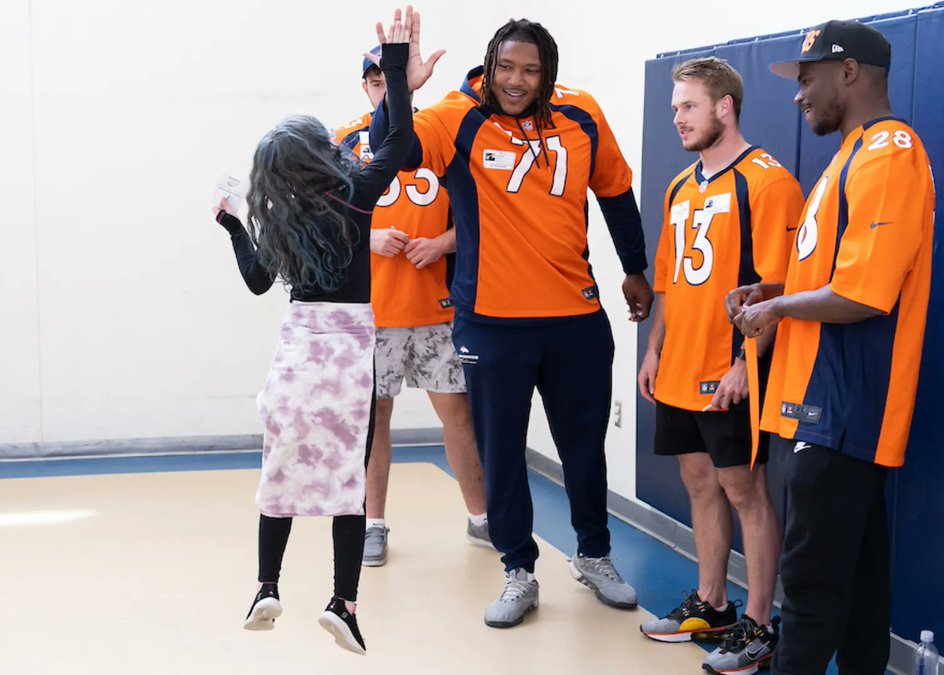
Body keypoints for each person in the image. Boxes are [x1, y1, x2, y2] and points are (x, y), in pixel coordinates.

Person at [368, 14, 654, 628]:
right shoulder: (456, 113)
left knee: (584, 447)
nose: (517, 81)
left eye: (530, 70)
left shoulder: (581, 113)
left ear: (548, 72)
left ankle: (595, 554)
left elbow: (616, 192)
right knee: (500, 452)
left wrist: (634, 268)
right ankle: (518, 569)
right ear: (490, 63)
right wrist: (401, 81)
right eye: (506, 67)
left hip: (574, 316)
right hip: (492, 322)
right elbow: (390, 150)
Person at [212, 8, 428, 656]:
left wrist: (231, 224)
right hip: (348, 357)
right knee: (346, 481)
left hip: (296, 356)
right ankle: (344, 601)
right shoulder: (358, 193)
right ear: (322, 155)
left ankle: (265, 585)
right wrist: (396, 68)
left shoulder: (280, 220)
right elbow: (400, 147)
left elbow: (255, 279)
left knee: (278, 471)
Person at [728, 20, 936, 675]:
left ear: (849, 73)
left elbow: (866, 294)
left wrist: (776, 307)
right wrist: (778, 288)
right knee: (860, 584)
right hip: (827, 407)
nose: (798, 95)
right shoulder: (850, 156)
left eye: (808, 78)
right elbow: (835, 281)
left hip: (842, 410)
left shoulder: (889, 151)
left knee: (812, 587)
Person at [636, 56, 803, 675]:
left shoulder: (767, 182)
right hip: (678, 364)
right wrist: (654, 349)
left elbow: (779, 288)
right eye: (675, 106)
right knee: (699, 484)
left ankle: (760, 622)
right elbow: (673, 283)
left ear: (724, 107)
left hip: (730, 371)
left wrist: (747, 361)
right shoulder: (681, 186)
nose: (676, 117)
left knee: (744, 491)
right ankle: (713, 604)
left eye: (687, 106)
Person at [334, 46, 489, 568]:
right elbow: (326, 222)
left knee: (459, 417)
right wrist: (369, 236)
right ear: (366, 87)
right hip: (373, 313)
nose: (384, 86)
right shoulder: (344, 141)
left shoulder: (441, 133)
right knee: (375, 424)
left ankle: (482, 517)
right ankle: (372, 523)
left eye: (391, 78)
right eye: (376, 79)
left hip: (438, 309)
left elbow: (478, 216)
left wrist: (442, 244)